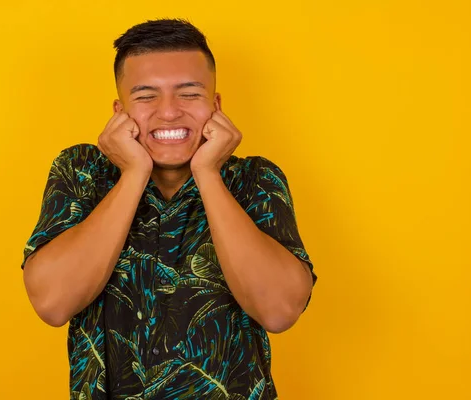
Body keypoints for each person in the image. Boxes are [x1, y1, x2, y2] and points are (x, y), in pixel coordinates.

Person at [21, 18, 317, 400]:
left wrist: (208, 172)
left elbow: (278, 311)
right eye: (146, 96)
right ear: (119, 110)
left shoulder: (253, 180)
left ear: (216, 104)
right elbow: (52, 303)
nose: (169, 112)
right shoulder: (82, 171)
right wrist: (134, 173)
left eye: (189, 94)